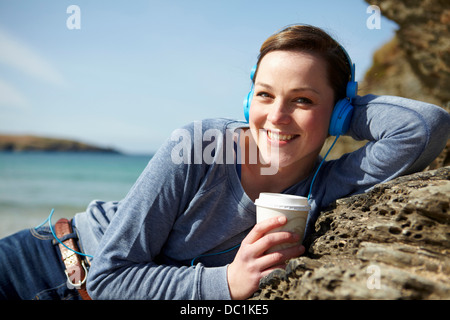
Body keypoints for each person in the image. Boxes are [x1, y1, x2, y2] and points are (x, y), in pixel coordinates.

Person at [1, 25, 449, 300]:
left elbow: (424, 127)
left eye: (303, 100)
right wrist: (227, 282)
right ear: (247, 98)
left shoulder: (328, 184)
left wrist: (346, 113)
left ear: (335, 114)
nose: (276, 116)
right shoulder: (199, 145)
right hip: (39, 265)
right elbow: (110, 279)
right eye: (265, 94)